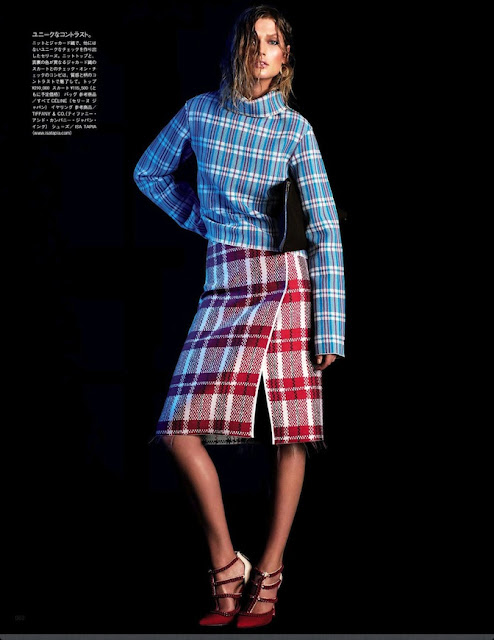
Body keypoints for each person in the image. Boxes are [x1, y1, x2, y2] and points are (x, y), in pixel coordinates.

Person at [133, 4, 345, 629]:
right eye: (252, 41)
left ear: (284, 57)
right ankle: (227, 565)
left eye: (272, 42)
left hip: (286, 283)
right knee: (177, 429)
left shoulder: (295, 130)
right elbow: (149, 171)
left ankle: (269, 573)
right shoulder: (199, 113)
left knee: (293, 432)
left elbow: (326, 229)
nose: (261, 51)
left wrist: (330, 323)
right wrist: (203, 220)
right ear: (236, 50)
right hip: (224, 281)